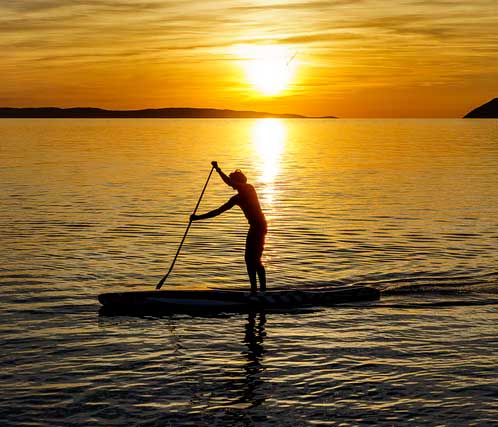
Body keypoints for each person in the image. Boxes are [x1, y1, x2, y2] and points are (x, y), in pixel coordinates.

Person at [191, 161, 267, 294]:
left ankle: (263, 292)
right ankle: (254, 290)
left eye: (233, 181)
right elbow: (218, 211)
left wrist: (218, 170)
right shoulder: (236, 199)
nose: (232, 185)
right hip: (254, 227)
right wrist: (197, 218)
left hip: (260, 227)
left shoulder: (249, 188)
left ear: (238, 182)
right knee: (248, 259)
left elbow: (230, 183)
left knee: (255, 259)